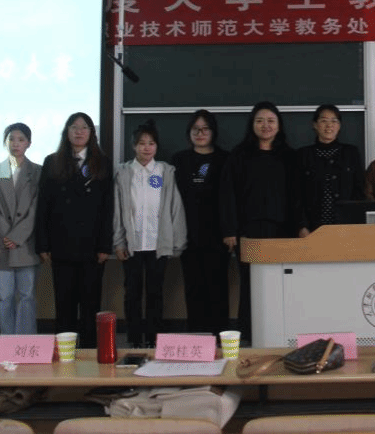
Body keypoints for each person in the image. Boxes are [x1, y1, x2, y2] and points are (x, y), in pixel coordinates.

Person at [221, 101, 304, 341]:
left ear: (279, 125)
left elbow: (297, 195)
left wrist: (301, 226)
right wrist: (229, 230)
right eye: (259, 121)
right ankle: (249, 334)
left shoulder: (289, 156)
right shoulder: (239, 155)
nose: (265, 125)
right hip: (248, 230)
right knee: (250, 284)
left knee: (281, 283)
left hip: (282, 231)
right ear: (252, 125)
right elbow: (227, 194)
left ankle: (279, 333)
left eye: (270, 121)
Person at [35, 112, 113, 348]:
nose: (79, 132)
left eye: (84, 127)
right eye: (74, 127)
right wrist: (42, 243)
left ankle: (89, 352)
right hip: (61, 245)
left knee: (90, 304)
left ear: (91, 133)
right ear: (66, 132)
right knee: (64, 304)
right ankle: (65, 354)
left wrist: (105, 245)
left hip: (92, 247)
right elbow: (43, 205)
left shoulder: (102, 162)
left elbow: (108, 207)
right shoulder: (53, 161)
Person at [113, 120, 186, 348]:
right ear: (134, 146)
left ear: (156, 146)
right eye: (142, 143)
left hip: (158, 244)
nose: (146, 147)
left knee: (155, 293)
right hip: (132, 245)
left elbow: (174, 207)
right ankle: (135, 340)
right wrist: (118, 242)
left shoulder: (164, 171)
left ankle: (154, 340)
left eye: (151, 143)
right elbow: (117, 210)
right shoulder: (124, 172)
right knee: (132, 293)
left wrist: (177, 242)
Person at [171, 109, 230, 335]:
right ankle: (197, 338)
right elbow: (168, 195)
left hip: (218, 236)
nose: (200, 133)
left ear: (213, 132)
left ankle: (220, 337)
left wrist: (230, 230)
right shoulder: (179, 160)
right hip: (188, 234)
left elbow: (231, 198)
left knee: (218, 288)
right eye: (195, 129)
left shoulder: (225, 159)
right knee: (193, 288)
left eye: (205, 129)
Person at [0, 122, 41, 335]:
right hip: (1, 245)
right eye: (11, 139)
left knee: (27, 296)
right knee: (4, 297)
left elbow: (36, 208)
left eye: (21, 139)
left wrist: (17, 236)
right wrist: (6, 236)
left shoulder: (37, 172)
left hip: (26, 244)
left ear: (29, 143)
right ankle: (8, 341)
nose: (15, 143)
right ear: (5, 142)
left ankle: (26, 341)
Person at [297, 104, 364, 231]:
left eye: (334, 121)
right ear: (315, 125)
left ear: (339, 126)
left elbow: (359, 192)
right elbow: (296, 195)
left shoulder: (351, 153)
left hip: (346, 226)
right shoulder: (303, 155)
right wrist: (302, 226)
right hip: (312, 227)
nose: (329, 125)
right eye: (324, 121)